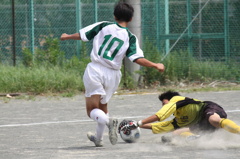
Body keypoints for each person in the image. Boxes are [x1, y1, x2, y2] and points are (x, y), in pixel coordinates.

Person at [60, 2, 165, 147]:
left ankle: (109, 122)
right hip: (113, 75)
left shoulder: (104, 25)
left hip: (96, 69)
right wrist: (155, 65)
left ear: (114, 16)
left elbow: (84, 35)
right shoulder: (130, 37)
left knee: (91, 110)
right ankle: (98, 139)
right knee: (103, 108)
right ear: (131, 19)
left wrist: (67, 36)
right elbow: (136, 58)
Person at [124, 90, 240, 141]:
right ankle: (194, 139)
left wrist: (139, 123)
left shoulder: (176, 99)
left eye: (164, 103)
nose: (163, 105)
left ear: (169, 100)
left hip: (208, 109)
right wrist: (132, 124)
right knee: (175, 133)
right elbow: (162, 125)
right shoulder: (179, 117)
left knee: (214, 119)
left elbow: (160, 116)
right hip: (202, 124)